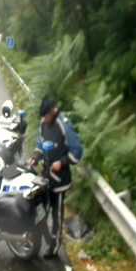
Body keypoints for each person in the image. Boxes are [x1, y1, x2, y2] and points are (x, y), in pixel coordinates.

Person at [28, 97, 83, 258]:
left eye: (46, 116)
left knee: (56, 214)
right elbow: (40, 144)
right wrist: (35, 157)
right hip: (45, 177)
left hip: (60, 180)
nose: (43, 120)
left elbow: (77, 151)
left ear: (53, 112)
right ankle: (43, 237)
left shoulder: (63, 125)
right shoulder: (43, 123)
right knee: (40, 208)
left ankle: (54, 247)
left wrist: (62, 162)